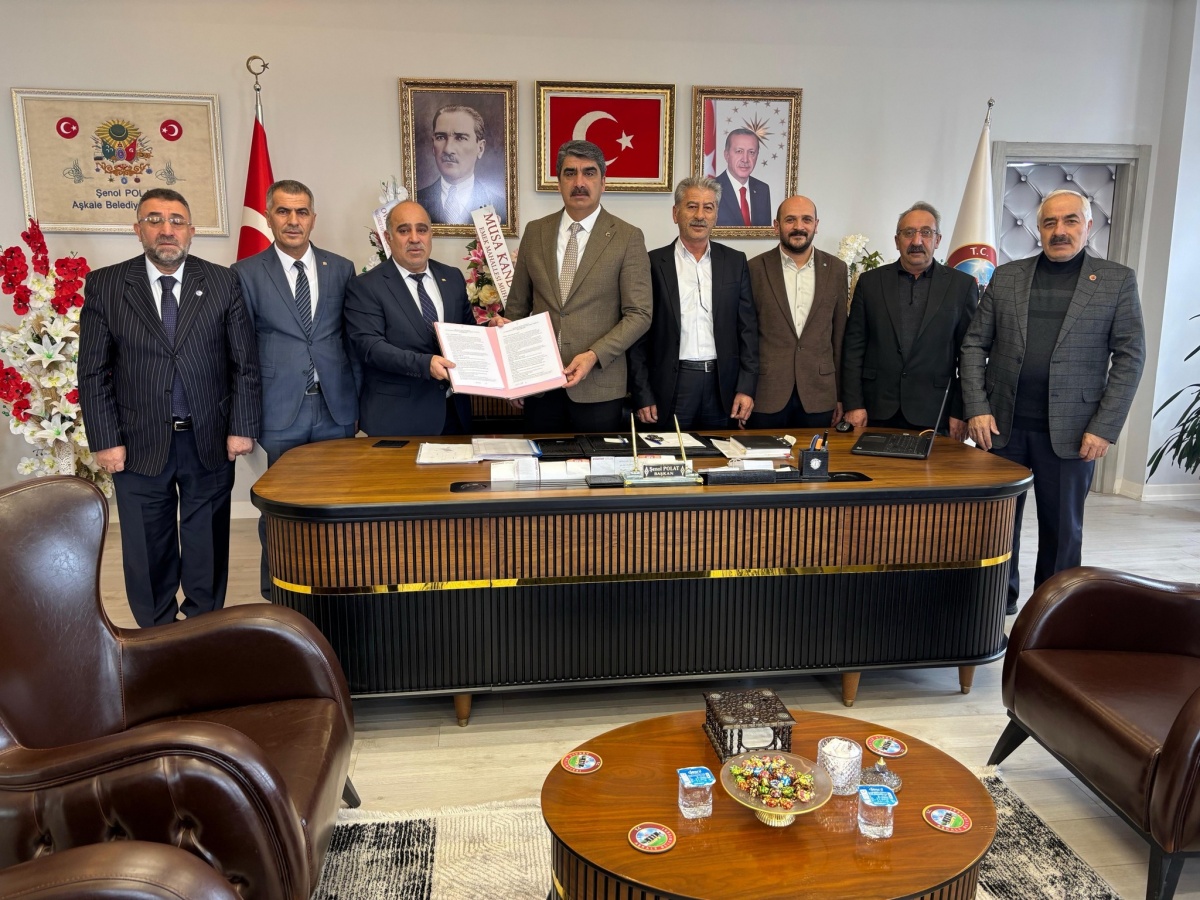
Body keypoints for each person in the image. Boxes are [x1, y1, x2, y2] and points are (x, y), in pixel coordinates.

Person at [78, 188, 260, 627]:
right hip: (137, 442)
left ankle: (202, 629)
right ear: (138, 229)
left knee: (206, 544)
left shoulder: (222, 281)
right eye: (155, 220)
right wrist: (105, 440)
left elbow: (245, 364)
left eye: (177, 220)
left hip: (208, 437)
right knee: (147, 548)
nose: (167, 229)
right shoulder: (106, 284)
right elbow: (93, 372)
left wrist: (241, 426)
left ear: (191, 231)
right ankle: (156, 636)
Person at [961, 188, 1145, 614]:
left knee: (1062, 532)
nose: (1059, 231)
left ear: (1088, 226)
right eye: (1050, 222)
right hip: (1001, 427)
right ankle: (996, 605)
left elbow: (1130, 357)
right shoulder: (1007, 276)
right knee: (996, 527)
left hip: (1073, 432)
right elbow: (973, 345)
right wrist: (977, 408)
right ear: (1038, 229)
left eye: (1070, 221)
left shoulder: (1116, 280)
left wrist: (1104, 427)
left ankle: (1051, 615)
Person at [232, 179, 360, 599]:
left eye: (301, 212)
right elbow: (240, 351)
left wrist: (357, 402)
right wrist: (244, 418)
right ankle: (278, 592)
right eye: (283, 211)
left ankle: (334, 586)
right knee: (281, 506)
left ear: (313, 219)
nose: (293, 220)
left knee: (336, 501)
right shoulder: (246, 273)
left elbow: (351, 341)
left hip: (334, 407)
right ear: (269, 218)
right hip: (280, 407)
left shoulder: (340, 268)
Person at [492, 139, 652, 433]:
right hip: (539, 386)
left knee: (596, 462)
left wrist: (594, 355)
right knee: (541, 462)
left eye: (589, 173)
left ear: (603, 182)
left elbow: (639, 314)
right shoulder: (535, 232)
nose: (579, 182)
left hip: (599, 387)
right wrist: (514, 374)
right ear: (559, 182)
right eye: (570, 173)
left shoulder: (628, 237)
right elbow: (516, 308)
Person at [628, 176, 758, 430]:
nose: (700, 215)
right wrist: (642, 393)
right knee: (670, 453)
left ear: (716, 215)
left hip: (723, 387)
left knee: (719, 453)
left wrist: (746, 387)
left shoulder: (735, 262)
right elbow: (637, 336)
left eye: (708, 208)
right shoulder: (651, 263)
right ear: (675, 213)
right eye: (691, 206)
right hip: (671, 386)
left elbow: (748, 331)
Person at [841, 201, 979, 438]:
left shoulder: (962, 286)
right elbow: (853, 348)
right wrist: (853, 404)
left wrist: (960, 410)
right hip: (876, 410)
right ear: (897, 241)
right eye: (908, 233)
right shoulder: (870, 282)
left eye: (926, 232)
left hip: (936, 412)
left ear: (937, 240)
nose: (917, 241)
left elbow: (968, 355)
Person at [344, 199, 474, 436]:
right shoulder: (366, 286)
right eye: (404, 230)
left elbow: (468, 333)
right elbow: (370, 347)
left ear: (430, 234)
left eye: (422, 229)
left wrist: (493, 329)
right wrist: (425, 364)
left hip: (454, 414)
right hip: (397, 419)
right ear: (388, 237)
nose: (414, 238)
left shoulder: (452, 277)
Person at [747, 195, 848, 428]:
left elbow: (840, 336)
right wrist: (743, 391)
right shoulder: (754, 269)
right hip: (766, 394)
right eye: (790, 219)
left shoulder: (836, 269)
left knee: (815, 454)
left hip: (819, 394)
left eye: (806, 220)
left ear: (816, 225)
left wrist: (841, 395)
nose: (799, 227)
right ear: (776, 225)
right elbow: (745, 337)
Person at [415, 104, 507, 226]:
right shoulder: (415, 203)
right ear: (433, 146)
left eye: (460, 138)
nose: (448, 149)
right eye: (441, 137)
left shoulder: (501, 208)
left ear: (480, 148)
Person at [715, 129, 771, 227]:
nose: (745, 159)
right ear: (726, 155)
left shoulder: (762, 189)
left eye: (751, 152)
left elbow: (765, 233)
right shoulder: (711, 188)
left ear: (757, 156)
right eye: (739, 151)